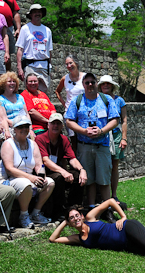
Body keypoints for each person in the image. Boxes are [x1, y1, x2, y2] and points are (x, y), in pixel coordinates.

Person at [49, 199, 145, 257]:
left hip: (126, 228)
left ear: (82, 216)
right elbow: (53, 239)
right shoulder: (79, 239)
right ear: (69, 222)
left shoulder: (90, 217)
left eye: (77, 215)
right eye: (72, 218)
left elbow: (110, 201)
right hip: (125, 245)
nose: (76, 218)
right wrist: (64, 221)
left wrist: (123, 217)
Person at [65, 73, 119, 215]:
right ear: (83, 85)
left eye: (92, 82)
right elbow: (69, 121)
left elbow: (115, 120)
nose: (90, 85)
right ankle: (91, 208)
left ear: (97, 84)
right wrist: (83, 131)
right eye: (87, 82)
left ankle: (107, 209)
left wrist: (101, 131)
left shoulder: (106, 99)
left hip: (102, 145)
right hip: (84, 145)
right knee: (89, 180)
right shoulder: (77, 101)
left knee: (104, 179)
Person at [0, 116, 55, 229]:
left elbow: (39, 165)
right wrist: (31, 178)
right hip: (9, 179)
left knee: (50, 182)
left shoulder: (33, 144)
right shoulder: (8, 144)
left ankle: (35, 213)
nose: (24, 129)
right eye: (20, 127)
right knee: (26, 184)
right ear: (14, 129)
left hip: (28, 178)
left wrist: (41, 176)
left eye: (26, 126)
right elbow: (9, 169)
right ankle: (23, 216)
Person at [35, 113, 87, 221]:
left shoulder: (63, 139)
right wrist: (64, 171)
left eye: (58, 124)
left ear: (62, 126)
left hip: (58, 170)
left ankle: (74, 208)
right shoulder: (40, 138)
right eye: (53, 123)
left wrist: (82, 170)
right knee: (59, 177)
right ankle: (58, 212)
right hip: (43, 171)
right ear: (48, 125)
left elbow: (72, 158)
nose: (55, 126)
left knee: (77, 176)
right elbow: (45, 160)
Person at [98, 75, 128, 204]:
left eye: (108, 84)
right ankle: (103, 196)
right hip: (102, 134)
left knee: (114, 165)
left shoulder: (119, 100)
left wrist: (124, 138)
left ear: (112, 86)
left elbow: (124, 120)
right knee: (103, 165)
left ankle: (114, 194)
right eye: (103, 84)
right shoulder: (98, 99)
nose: (106, 86)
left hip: (115, 134)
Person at [16, 4, 53, 93]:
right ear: (31, 15)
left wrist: (50, 66)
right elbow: (20, 49)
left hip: (44, 66)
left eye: (39, 12)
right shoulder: (25, 29)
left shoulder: (47, 30)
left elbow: (50, 51)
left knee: (44, 94)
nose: (37, 14)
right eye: (35, 12)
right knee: (30, 92)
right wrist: (19, 68)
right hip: (30, 66)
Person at [55, 54, 86, 151]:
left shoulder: (85, 77)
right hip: (70, 113)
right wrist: (65, 104)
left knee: (84, 137)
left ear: (76, 63)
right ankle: (76, 162)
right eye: (66, 64)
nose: (69, 66)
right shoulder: (65, 78)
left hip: (84, 112)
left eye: (70, 63)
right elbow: (57, 91)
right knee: (74, 140)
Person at [0, 71, 32, 138]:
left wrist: (30, 128)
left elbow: (27, 114)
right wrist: (17, 125)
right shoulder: (0, 99)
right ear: (3, 84)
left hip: (24, 125)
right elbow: (3, 118)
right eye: (9, 81)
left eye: (14, 81)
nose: (12, 83)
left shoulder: (20, 97)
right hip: (11, 127)